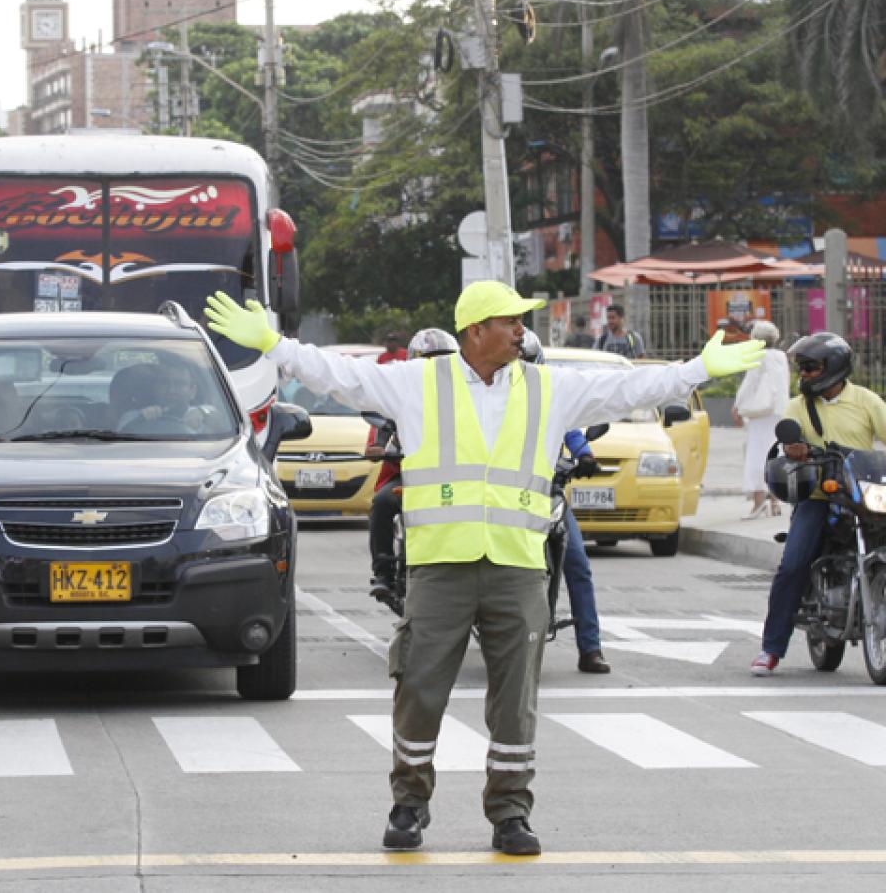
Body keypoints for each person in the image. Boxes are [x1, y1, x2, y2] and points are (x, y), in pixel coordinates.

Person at [204, 282, 763, 855]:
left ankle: (510, 814)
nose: (521, 330)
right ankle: (409, 806)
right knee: (419, 688)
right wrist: (273, 344)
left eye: (521, 322)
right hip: (438, 568)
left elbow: (628, 387)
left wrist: (698, 368)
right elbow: (337, 374)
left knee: (515, 696)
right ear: (476, 331)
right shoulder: (419, 383)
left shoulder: (551, 388)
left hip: (518, 569)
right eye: (510, 321)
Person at [751, 331, 886, 676]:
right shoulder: (797, 407)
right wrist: (793, 449)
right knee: (793, 564)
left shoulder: (867, 401)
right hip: (819, 496)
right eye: (803, 368)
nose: (804, 374)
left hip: (862, 494)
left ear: (835, 367)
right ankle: (771, 649)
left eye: (811, 367)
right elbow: (788, 442)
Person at [519, 329, 610, 674]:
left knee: (577, 562)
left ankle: (591, 648)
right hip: (505, 501)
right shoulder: (491, 404)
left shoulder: (550, 401)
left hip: (549, 494)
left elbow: (571, 431)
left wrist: (584, 456)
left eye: (527, 366)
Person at [368, 328, 458, 601]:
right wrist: (378, 446)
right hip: (408, 476)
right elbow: (383, 423)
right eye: (429, 361)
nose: (436, 368)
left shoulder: (466, 398)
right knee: (383, 503)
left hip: (452, 481)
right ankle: (383, 572)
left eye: (444, 361)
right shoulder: (402, 395)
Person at [732, 320, 790, 519]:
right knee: (774, 455)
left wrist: (738, 406)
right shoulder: (781, 357)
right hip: (778, 412)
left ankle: (758, 503)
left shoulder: (759, 356)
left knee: (757, 456)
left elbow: (750, 383)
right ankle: (774, 501)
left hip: (760, 414)